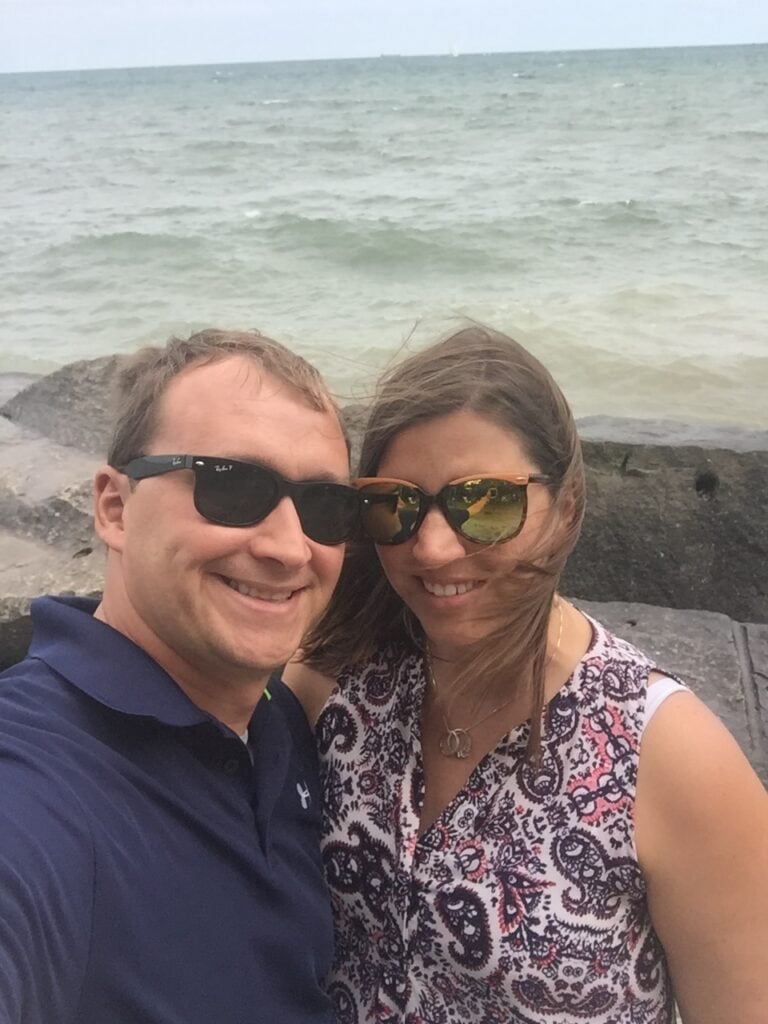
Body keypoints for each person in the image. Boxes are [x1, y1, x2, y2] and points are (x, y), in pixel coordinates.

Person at [285, 326, 768, 1024]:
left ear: (566, 505)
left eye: (485, 504)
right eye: (397, 505)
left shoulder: (670, 758)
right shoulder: (337, 684)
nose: (432, 546)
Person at [0, 328, 361, 1023]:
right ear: (114, 508)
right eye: (230, 487)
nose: (290, 548)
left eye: (325, 507)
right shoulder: (41, 778)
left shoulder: (278, 721)